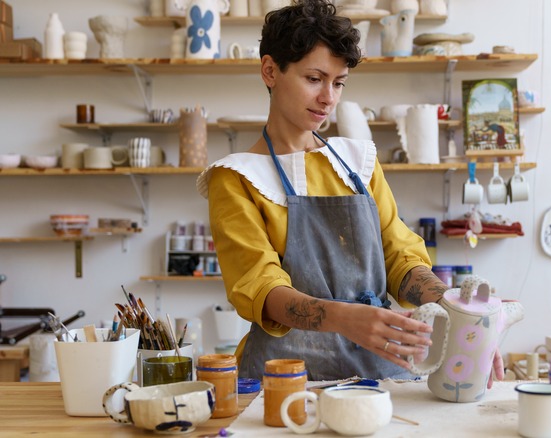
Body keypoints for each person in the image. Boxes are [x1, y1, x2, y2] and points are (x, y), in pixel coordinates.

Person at [197, 0, 504, 383]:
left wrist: (456, 309)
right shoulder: (237, 177)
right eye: (314, 79)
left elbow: (399, 256)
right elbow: (260, 287)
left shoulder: (357, 161)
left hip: (381, 372)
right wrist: (344, 318)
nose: (329, 97)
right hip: (284, 380)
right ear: (270, 70)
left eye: (339, 82)